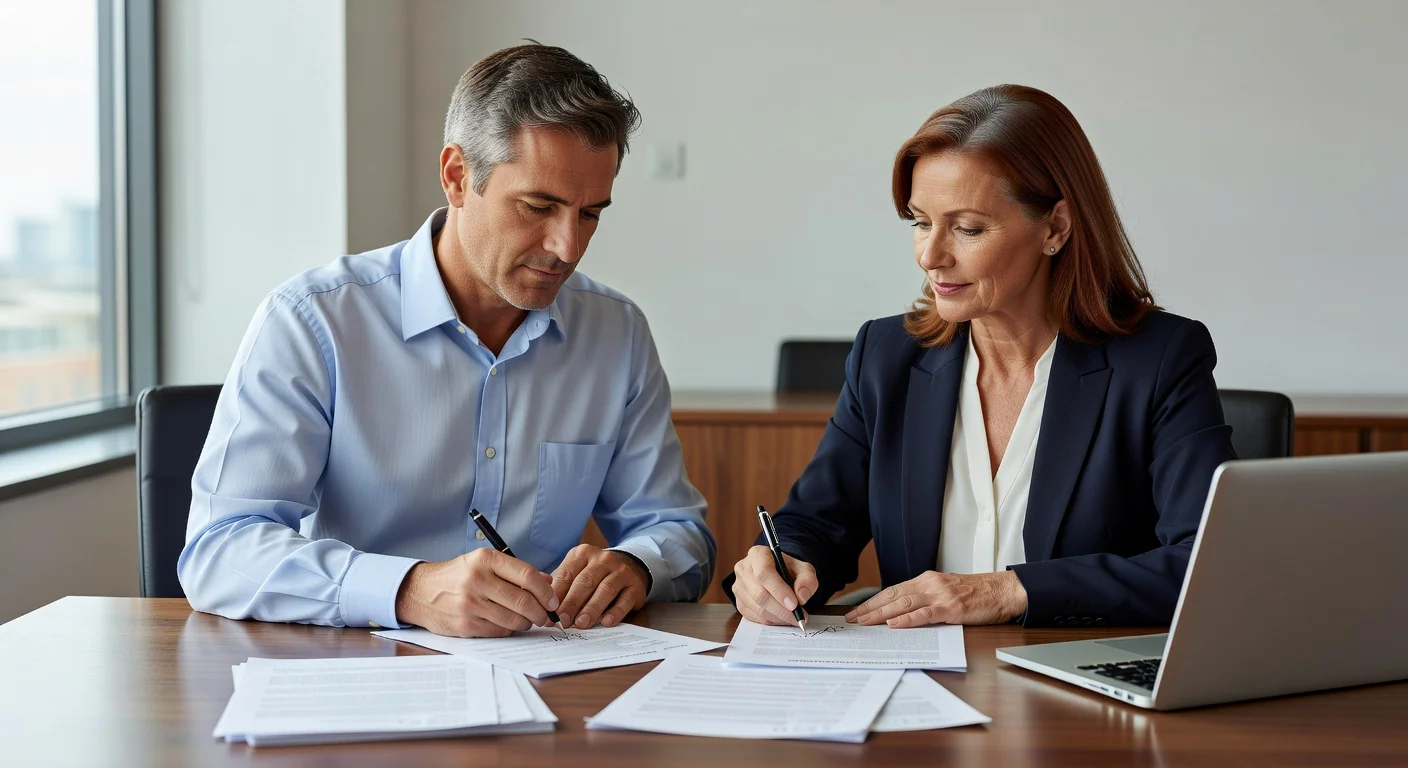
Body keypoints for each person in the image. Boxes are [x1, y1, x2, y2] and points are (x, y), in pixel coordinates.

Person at [179, 44, 715, 638]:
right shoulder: (313, 322)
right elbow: (219, 551)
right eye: (539, 206)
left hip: (542, 666)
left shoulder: (616, 333)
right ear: (458, 177)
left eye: (590, 214)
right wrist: (407, 590)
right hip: (352, 664)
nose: (568, 246)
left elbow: (678, 530)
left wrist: (637, 565)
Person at [726, 85, 1235, 628]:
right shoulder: (886, 356)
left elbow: (1206, 563)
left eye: (967, 229)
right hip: (918, 673)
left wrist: (1010, 591)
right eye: (921, 222)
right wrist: (782, 565)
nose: (930, 256)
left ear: (1055, 228)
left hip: (1075, 671)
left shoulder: (1159, 359)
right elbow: (815, 523)